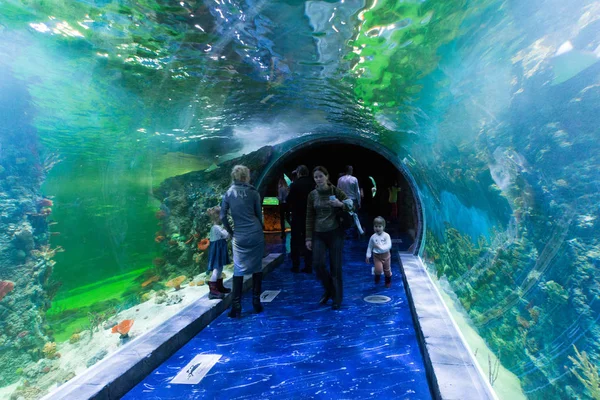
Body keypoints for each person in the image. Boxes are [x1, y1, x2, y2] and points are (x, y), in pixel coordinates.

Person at [306, 166, 353, 310]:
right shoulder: (312, 195)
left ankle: (337, 298)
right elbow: (309, 216)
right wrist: (308, 238)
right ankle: (329, 290)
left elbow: (351, 205)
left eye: (321, 176)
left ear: (327, 176)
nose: (318, 179)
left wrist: (340, 204)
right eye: (316, 177)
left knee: (336, 266)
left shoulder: (335, 191)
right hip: (318, 233)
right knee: (317, 264)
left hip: (335, 233)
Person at [220, 165, 265, 318]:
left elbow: (222, 216)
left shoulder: (228, 193)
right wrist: (260, 230)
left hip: (240, 235)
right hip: (255, 233)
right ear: (247, 176)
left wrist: (231, 232)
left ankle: (236, 306)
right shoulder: (253, 192)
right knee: (257, 267)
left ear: (233, 177)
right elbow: (259, 215)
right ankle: (256, 303)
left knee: (238, 270)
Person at [286, 165, 314, 273]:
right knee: (309, 239)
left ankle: (295, 265)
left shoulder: (295, 185)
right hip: (310, 216)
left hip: (297, 216)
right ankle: (308, 265)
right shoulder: (313, 183)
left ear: (298, 173)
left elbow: (289, 200)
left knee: (295, 241)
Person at [206, 206, 231, 300]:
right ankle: (213, 291)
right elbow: (226, 235)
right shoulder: (216, 228)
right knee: (216, 269)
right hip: (217, 250)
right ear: (218, 217)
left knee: (219, 268)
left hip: (218, 249)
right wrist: (226, 227)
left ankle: (219, 287)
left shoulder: (216, 227)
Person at [365, 216, 392, 288]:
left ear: (383, 227)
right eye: (376, 226)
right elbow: (369, 246)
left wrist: (380, 247)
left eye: (380, 226)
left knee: (387, 270)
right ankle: (377, 276)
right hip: (376, 256)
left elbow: (389, 245)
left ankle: (388, 280)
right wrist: (368, 255)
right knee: (378, 270)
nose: (377, 228)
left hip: (386, 255)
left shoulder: (386, 236)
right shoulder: (373, 237)